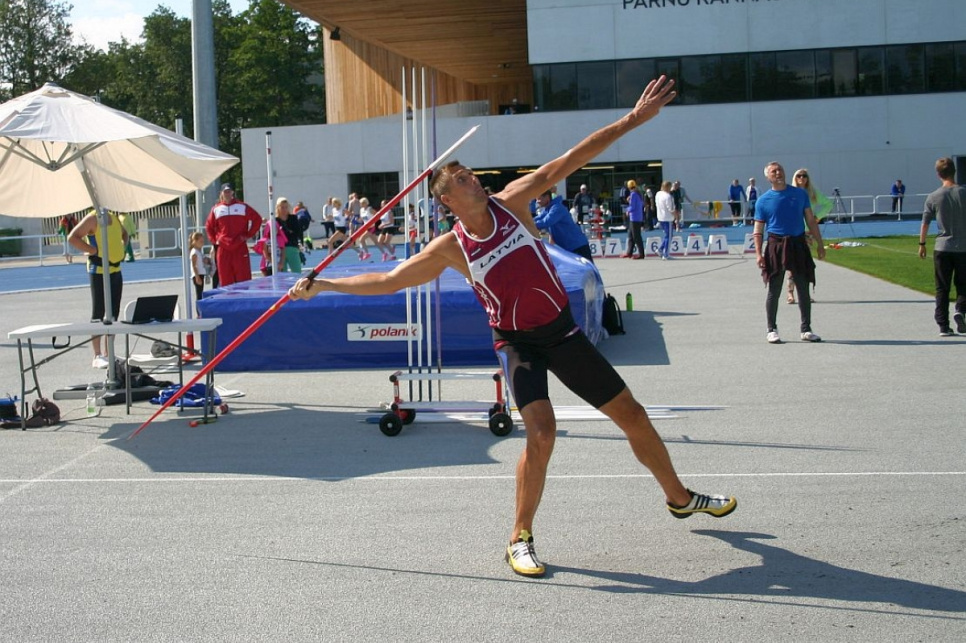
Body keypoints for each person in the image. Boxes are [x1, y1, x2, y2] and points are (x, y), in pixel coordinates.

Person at [289, 76, 737, 578]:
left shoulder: (512, 202)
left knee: (632, 414)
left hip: (562, 332)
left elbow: (573, 158)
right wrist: (324, 285)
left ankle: (679, 498)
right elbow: (390, 280)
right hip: (517, 343)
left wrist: (633, 120)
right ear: (447, 201)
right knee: (542, 432)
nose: (474, 181)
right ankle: (519, 537)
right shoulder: (451, 248)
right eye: (463, 180)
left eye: (471, 175)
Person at [753, 162, 826, 344]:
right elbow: (758, 230)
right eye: (774, 171)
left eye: (780, 170)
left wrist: (820, 244)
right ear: (768, 177)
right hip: (776, 245)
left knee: (803, 287)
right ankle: (771, 329)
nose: (778, 173)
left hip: (798, 243)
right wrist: (759, 254)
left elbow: (810, 220)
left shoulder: (799, 194)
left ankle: (806, 329)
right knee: (774, 289)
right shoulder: (763, 201)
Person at [67, 209, 128, 369]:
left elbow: (125, 234)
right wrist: (92, 250)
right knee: (99, 312)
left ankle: (109, 352)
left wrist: (123, 247)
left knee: (113, 313)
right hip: (99, 270)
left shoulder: (114, 217)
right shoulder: (92, 218)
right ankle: (97, 355)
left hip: (115, 269)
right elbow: (72, 237)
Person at [919, 157, 966, 336]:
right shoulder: (963, 192)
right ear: (954, 171)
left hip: (943, 247)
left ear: (938, 174)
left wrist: (922, 243)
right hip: (963, 246)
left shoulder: (934, 196)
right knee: (963, 284)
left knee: (942, 287)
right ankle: (960, 310)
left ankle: (943, 325)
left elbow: (925, 223)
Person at [786, 168, 832, 304]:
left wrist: (817, 217)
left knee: (804, 264)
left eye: (804, 176)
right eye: (799, 176)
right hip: (792, 231)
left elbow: (828, 204)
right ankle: (790, 293)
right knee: (792, 264)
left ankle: (804, 294)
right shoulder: (790, 192)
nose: (802, 178)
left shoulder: (812, 193)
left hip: (806, 232)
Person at [204, 184, 262, 286]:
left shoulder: (242, 206)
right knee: (226, 281)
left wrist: (248, 235)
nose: (227, 194)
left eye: (229, 191)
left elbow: (257, 219)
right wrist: (215, 240)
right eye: (225, 191)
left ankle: (243, 296)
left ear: (232, 193)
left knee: (244, 280)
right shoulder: (216, 209)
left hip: (240, 247)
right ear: (221, 193)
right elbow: (208, 226)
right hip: (223, 249)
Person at [533, 189, 594, 263]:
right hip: (570, 247)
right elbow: (537, 219)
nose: (537, 201)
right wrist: (525, 222)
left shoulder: (557, 208)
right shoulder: (547, 210)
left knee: (587, 270)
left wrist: (530, 225)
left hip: (578, 246)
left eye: (539, 198)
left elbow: (546, 222)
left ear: (547, 197)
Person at [275, 197, 303, 273]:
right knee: (282, 275)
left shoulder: (293, 218)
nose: (284, 209)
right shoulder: (275, 220)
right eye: (282, 207)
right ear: (278, 208)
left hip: (292, 247)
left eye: (286, 207)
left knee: (297, 272)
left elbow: (298, 232)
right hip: (280, 250)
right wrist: (288, 232)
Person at [621, 180, 644, 259]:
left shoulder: (633, 194)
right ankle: (629, 252)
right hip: (636, 217)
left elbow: (633, 207)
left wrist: (627, 210)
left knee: (636, 236)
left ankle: (641, 254)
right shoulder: (637, 194)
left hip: (635, 218)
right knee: (630, 235)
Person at [655, 180, 676, 260]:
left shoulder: (658, 194)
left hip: (660, 217)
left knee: (668, 235)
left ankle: (660, 249)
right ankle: (666, 254)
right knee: (669, 236)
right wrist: (676, 216)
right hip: (667, 218)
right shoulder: (668, 196)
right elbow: (670, 209)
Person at [188, 231, 208, 305]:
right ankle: (198, 309)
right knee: (199, 294)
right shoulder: (194, 252)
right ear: (195, 242)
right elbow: (194, 265)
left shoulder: (199, 251)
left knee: (200, 293)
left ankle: (199, 308)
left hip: (200, 274)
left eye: (203, 241)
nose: (202, 243)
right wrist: (197, 277)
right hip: (198, 274)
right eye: (201, 241)